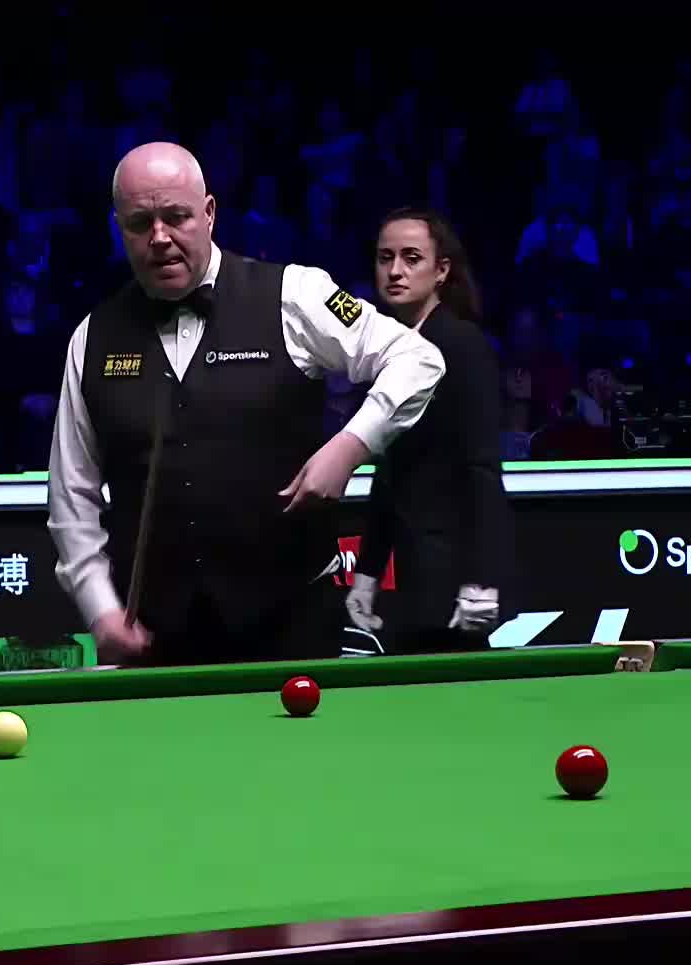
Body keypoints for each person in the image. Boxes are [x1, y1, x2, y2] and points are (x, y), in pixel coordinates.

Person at [48, 142, 446, 667]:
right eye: (141, 223)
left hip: (293, 626)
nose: (160, 237)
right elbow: (71, 497)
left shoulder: (296, 294)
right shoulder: (93, 337)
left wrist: (351, 446)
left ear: (210, 213)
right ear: (118, 228)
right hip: (157, 636)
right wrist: (100, 610)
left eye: (177, 217)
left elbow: (417, 359)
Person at [345, 208, 513, 656]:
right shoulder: (388, 349)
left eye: (411, 257)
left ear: (441, 271)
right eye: (385, 258)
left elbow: (481, 469)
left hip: (456, 579)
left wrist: (482, 580)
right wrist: (367, 575)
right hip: (412, 576)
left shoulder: (463, 345)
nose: (395, 270)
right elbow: (390, 472)